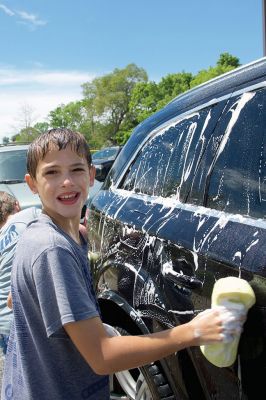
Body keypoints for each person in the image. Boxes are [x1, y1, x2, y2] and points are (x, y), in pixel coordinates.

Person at [1, 128, 245, 400]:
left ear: (91, 176)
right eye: (52, 172)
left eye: (77, 170)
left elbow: (15, 298)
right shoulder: (52, 248)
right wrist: (193, 332)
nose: (67, 181)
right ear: (32, 183)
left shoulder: (63, 235)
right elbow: (103, 357)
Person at [0, 192, 41, 358]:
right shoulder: (30, 214)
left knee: (17, 379)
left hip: (3, 323)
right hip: (24, 317)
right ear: (17, 205)